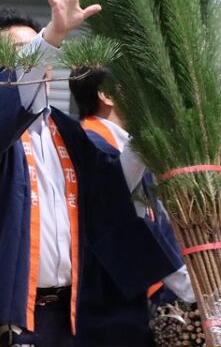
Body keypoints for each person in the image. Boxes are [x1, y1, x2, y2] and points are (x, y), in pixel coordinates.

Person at [0, 0, 182, 347]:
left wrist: (146, 129)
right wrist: (53, 34)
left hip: (61, 317)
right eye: (27, 52)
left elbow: (110, 191)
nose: (41, 60)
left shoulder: (67, 130)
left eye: (43, 53)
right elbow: (3, 108)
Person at [68, 69, 193, 310]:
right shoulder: (89, 145)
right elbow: (118, 211)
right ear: (106, 95)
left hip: (145, 289)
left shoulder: (127, 146)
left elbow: (155, 219)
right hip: (107, 297)